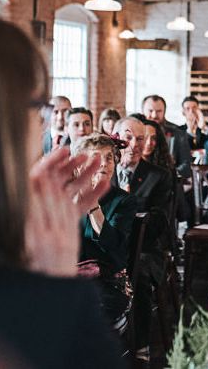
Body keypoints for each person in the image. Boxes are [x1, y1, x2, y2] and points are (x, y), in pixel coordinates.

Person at [0, 6, 124, 369]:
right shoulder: (5, 297)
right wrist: (55, 282)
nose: (45, 127)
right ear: (0, 122)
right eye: (40, 109)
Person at [111, 116, 173, 357]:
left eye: (140, 138)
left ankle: (140, 345)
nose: (134, 144)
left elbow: (160, 222)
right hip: (108, 246)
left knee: (138, 274)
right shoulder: (105, 170)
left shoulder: (158, 176)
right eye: (128, 137)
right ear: (115, 138)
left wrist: (129, 206)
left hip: (145, 249)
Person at [75, 133, 137, 330]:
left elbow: (112, 246)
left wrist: (93, 204)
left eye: (108, 158)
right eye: (95, 158)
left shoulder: (124, 201)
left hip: (108, 284)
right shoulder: (66, 198)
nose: (103, 163)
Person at [142, 95, 192, 178]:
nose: (154, 115)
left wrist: (167, 175)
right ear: (143, 111)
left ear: (164, 112)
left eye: (159, 111)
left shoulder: (177, 133)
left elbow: (186, 165)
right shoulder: (134, 133)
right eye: (150, 111)